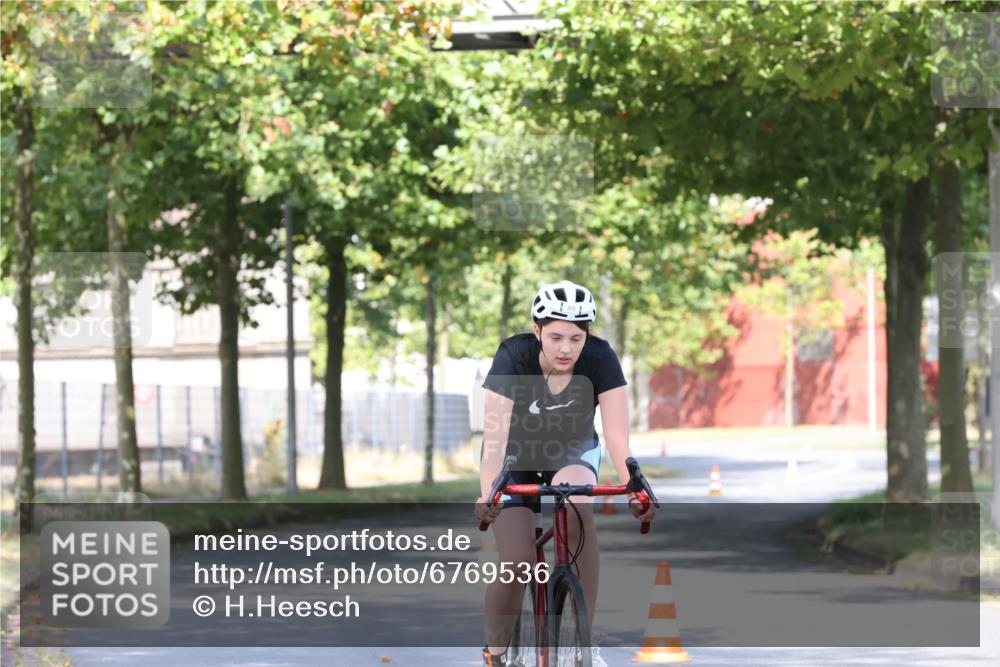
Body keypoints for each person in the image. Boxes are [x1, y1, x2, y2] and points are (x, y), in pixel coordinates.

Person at [474, 280, 657, 667]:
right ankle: (495, 650)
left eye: (576, 338)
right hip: (514, 454)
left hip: (571, 451)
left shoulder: (601, 358)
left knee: (577, 506)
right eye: (555, 336)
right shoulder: (512, 357)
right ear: (536, 330)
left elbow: (618, 439)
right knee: (519, 559)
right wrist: (486, 493)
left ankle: (583, 643)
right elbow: (494, 440)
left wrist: (634, 489)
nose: (566, 348)